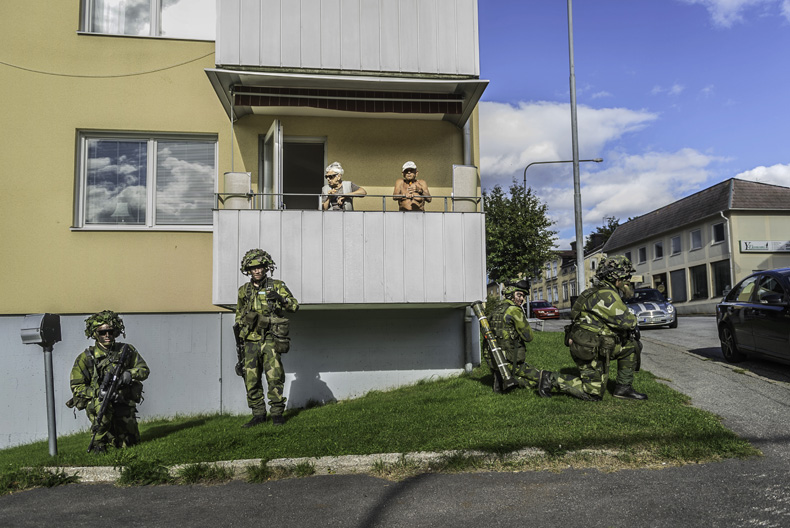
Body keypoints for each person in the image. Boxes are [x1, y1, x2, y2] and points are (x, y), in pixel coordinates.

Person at [546, 255, 647, 401]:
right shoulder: (607, 295)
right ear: (615, 278)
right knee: (593, 394)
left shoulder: (596, 291)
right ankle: (549, 379)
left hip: (592, 344)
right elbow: (627, 322)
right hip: (588, 348)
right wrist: (633, 321)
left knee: (631, 346)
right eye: (625, 277)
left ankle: (623, 389)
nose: (628, 281)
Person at [67, 310, 149, 453]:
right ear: (95, 334)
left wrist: (129, 374)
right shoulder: (86, 358)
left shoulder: (126, 350)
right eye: (102, 332)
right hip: (99, 402)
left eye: (110, 331)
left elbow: (144, 370)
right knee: (102, 413)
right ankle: (99, 442)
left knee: (129, 444)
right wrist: (97, 393)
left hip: (122, 399)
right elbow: (77, 386)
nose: (107, 335)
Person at [235, 249, 299, 427]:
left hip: (271, 338)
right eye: (253, 268)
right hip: (250, 340)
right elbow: (239, 315)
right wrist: (241, 337)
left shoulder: (276, 285)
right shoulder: (244, 291)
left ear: (266, 267)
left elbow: (294, 306)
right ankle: (258, 414)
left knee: (275, 376)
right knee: (251, 379)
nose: (257, 270)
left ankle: (277, 413)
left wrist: (281, 299)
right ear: (248, 270)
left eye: (260, 267)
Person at [487, 280, 553, 397]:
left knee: (525, 380)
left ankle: (501, 379)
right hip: (511, 360)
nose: (522, 299)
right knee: (546, 379)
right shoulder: (513, 310)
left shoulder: (496, 309)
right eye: (519, 295)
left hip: (496, 359)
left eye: (523, 296)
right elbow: (528, 337)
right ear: (510, 294)